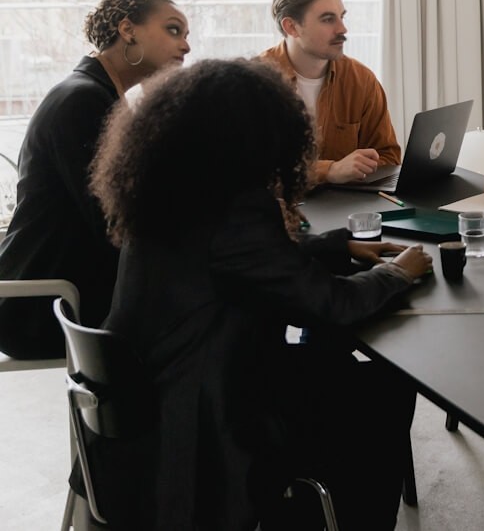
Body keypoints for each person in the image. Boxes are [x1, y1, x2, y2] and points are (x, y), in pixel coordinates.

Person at [88, 58, 432, 530]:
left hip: (149, 395)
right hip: (211, 411)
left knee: (340, 373)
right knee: (382, 390)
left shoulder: (167, 190)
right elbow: (332, 304)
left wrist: (336, 243)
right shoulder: (238, 207)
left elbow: (236, 259)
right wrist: (399, 273)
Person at [0, 0, 189, 358]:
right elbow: (114, 220)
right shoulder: (82, 101)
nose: (185, 46)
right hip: (42, 303)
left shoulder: (98, 96)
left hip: (68, 286)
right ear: (127, 30)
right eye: (173, 30)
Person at [259, 0, 400, 185]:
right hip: (275, 210)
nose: (342, 29)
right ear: (291, 27)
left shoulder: (361, 80)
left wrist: (361, 167)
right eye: (328, 19)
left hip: (346, 207)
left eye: (342, 17)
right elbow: (250, 171)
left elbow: (388, 159)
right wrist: (329, 171)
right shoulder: (254, 83)